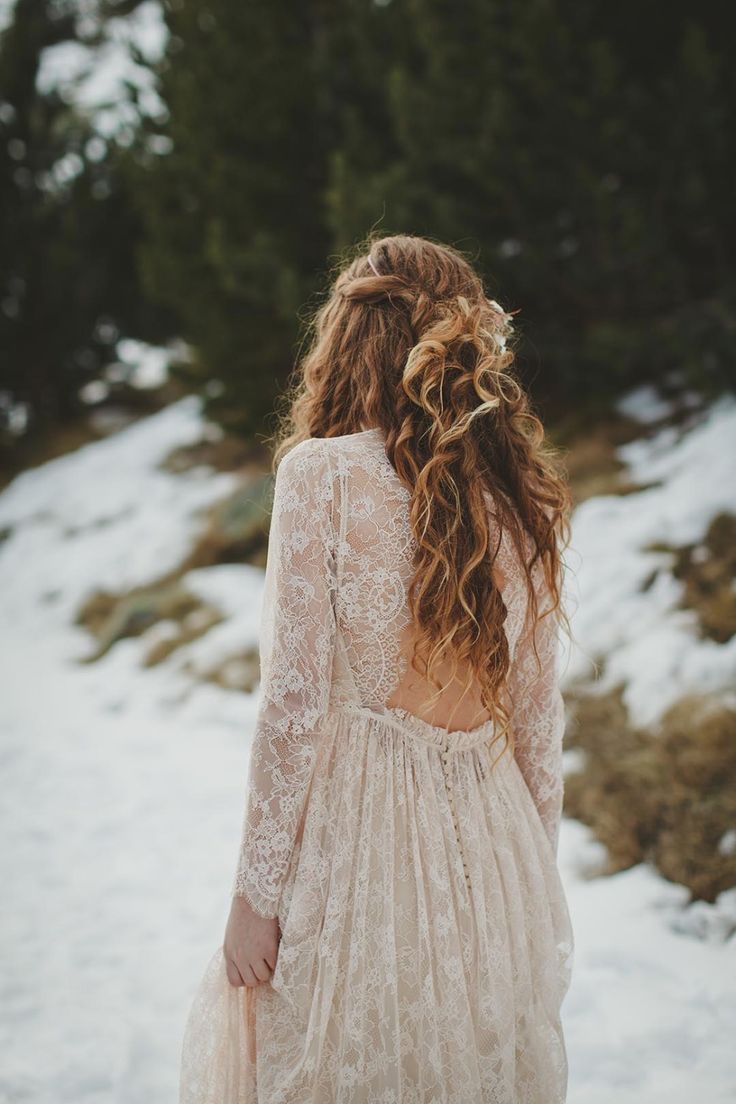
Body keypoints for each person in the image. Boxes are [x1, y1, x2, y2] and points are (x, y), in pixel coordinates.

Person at [179, 233, 575, 1103]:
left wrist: (254, 896)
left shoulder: (320, 475)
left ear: (348, 339)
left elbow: (290, 708)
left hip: (362, 843)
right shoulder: (521, 494)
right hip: (495, 841)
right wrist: (532, 883)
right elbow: (540, 721)